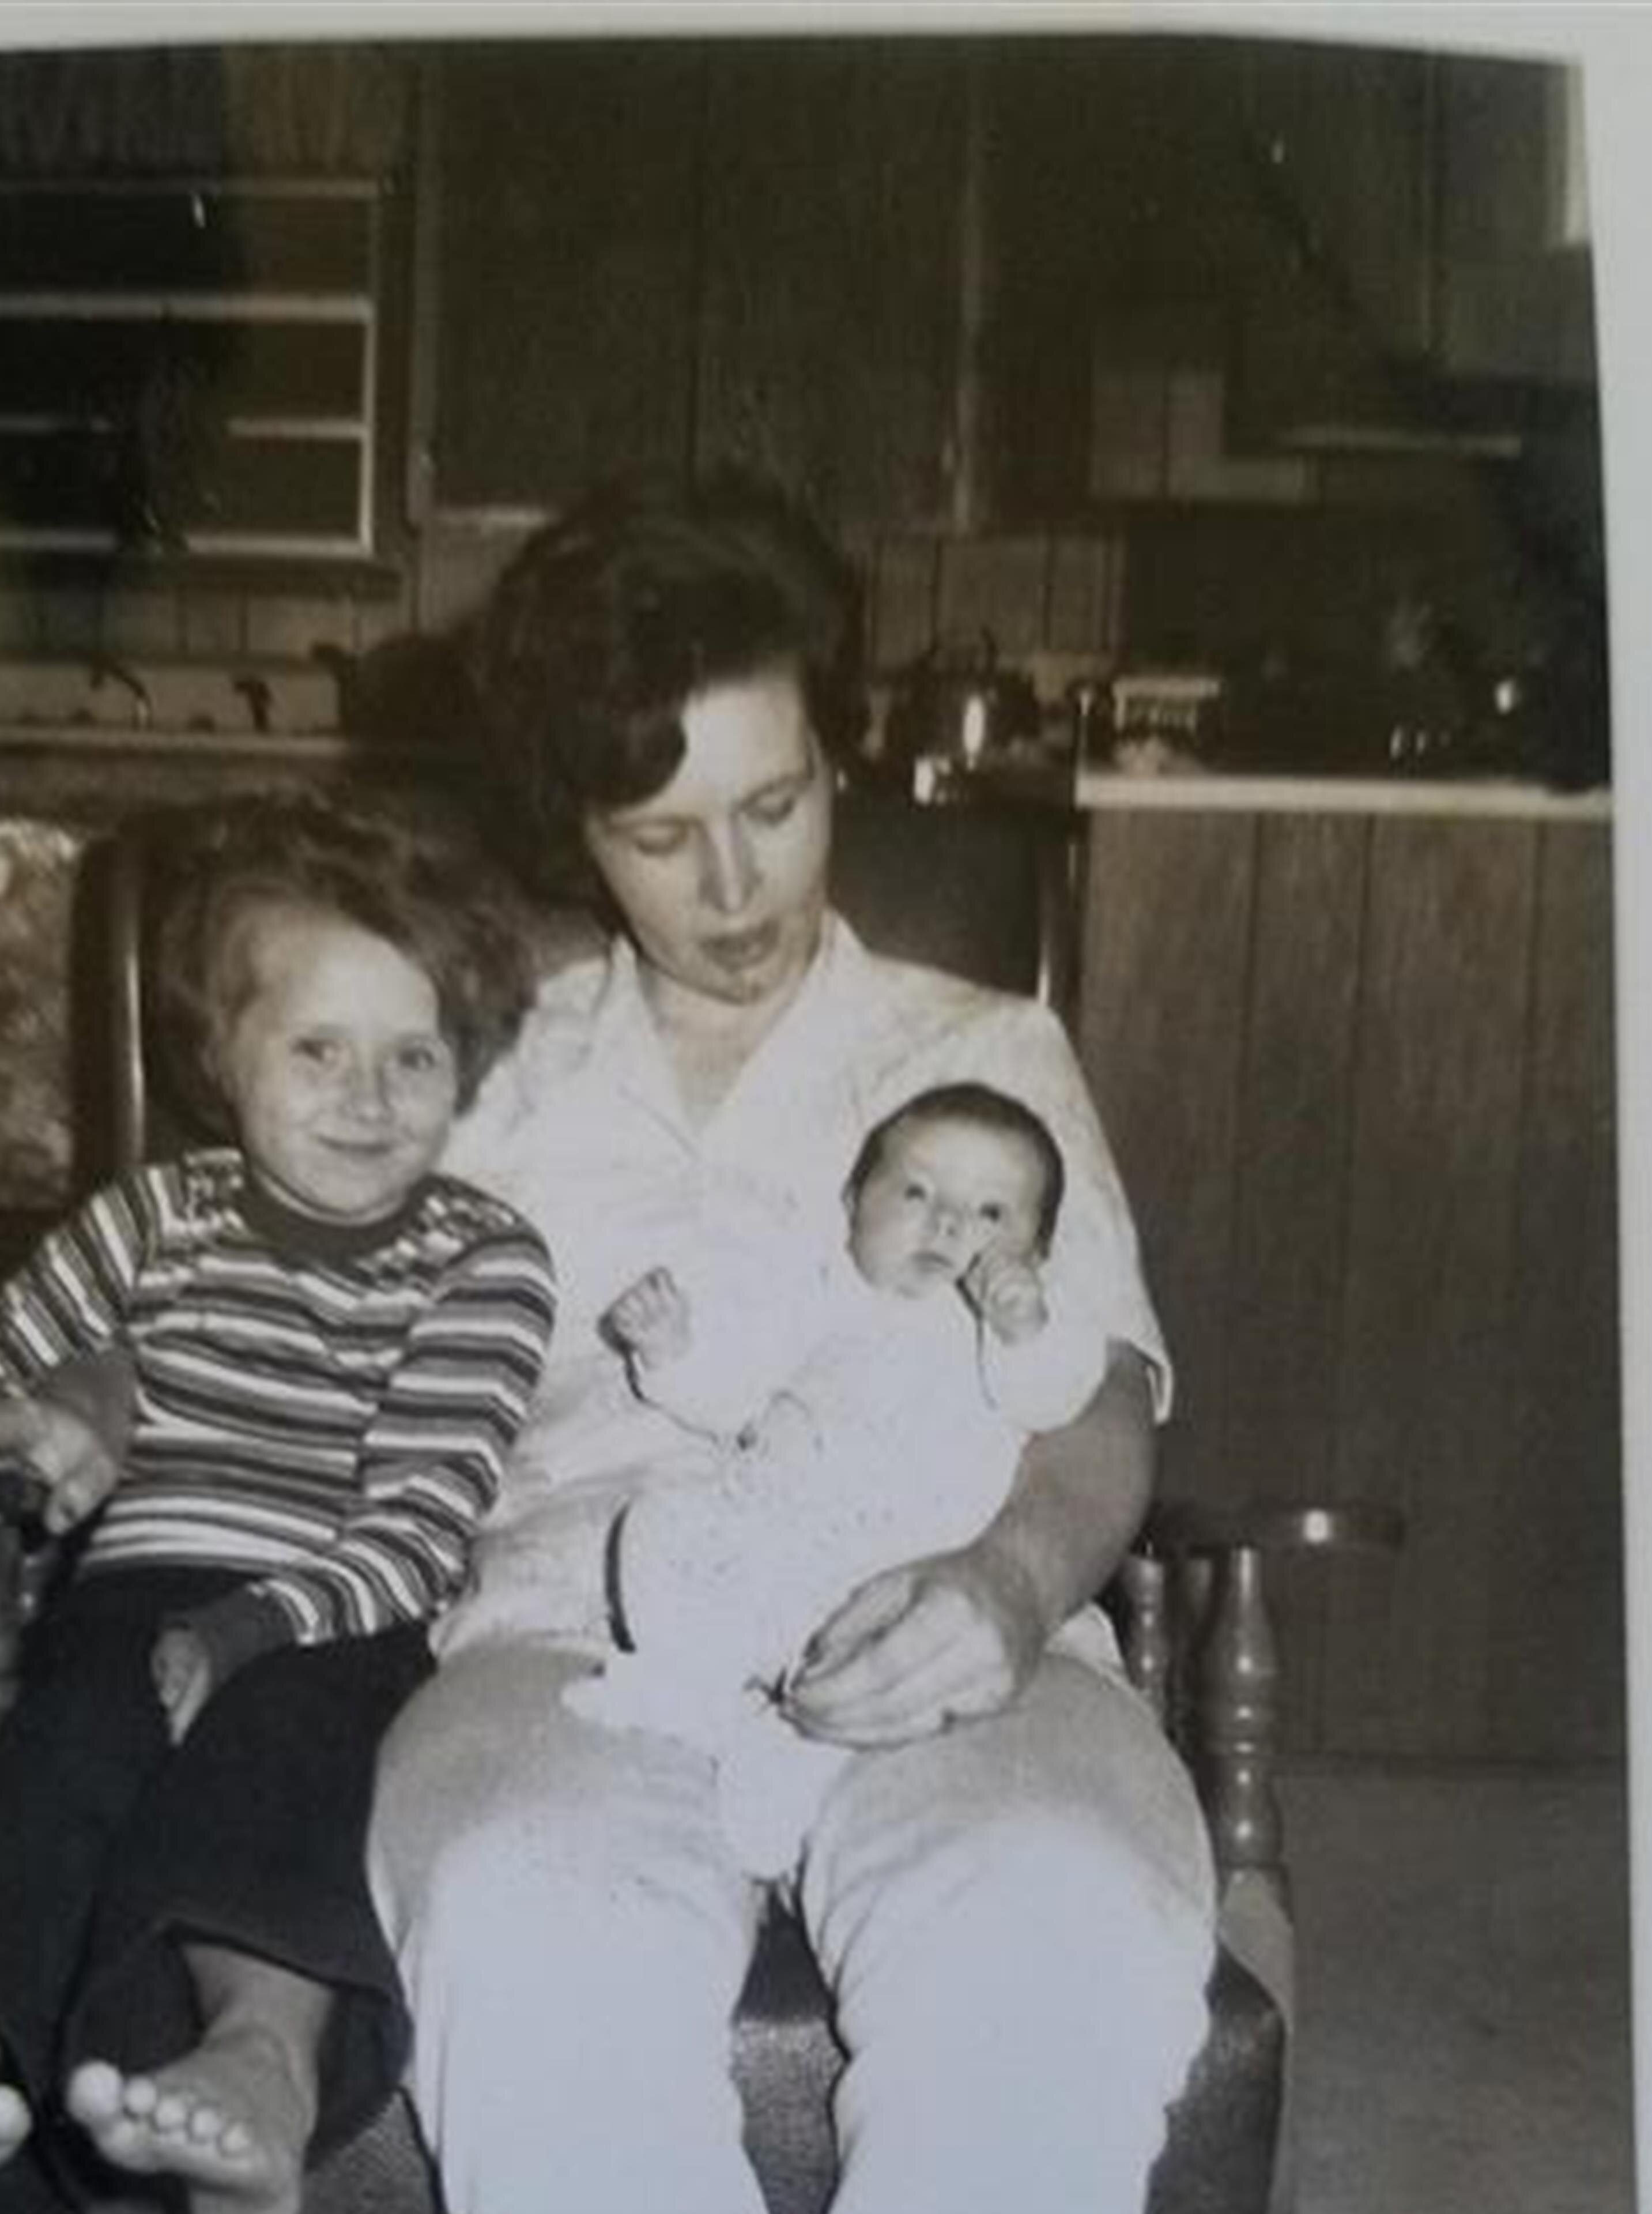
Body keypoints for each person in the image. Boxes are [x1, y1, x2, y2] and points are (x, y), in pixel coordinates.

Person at [364, 470, 1219, 2214]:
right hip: (576, 1636)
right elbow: (293, 1326)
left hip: (947, 1608)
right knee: (532, 1930)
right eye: (662, 835)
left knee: (1051, 1926)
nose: (737, 883)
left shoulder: (983, 1048)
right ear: (575, 832)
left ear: (840, 764)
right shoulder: (486, 1075)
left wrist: (1007, 1587)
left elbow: (1099, 1403)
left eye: (776, 802)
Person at [0, 805, 556, 2214]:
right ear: (221, 1057)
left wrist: (252, 1630)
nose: (369, 1097)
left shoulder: (484, 1257)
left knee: (288, 1749)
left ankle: (260, 2059)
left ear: (466, 1068)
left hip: (346, 1612)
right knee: (64, 1742)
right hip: (134, 1589)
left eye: (415, 1057)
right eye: (317, 1050)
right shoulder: (143, 1224)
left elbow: (422, 1524)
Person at [572, 1079, 1112, 1881]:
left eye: (992, 1213)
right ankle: (697, 1689)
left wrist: (1025, 1325)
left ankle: (802, 1746)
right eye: (917, 1192)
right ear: (855, 1203)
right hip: (778, 1533)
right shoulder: (818, 1300)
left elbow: (1056, 1397)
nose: (948, 1224)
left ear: (1037, 1252)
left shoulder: (1014, 1333)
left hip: (905, 1574)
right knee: (660, 1523)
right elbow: (729, 1397)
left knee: (882, 1678)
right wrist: (671, 1348)